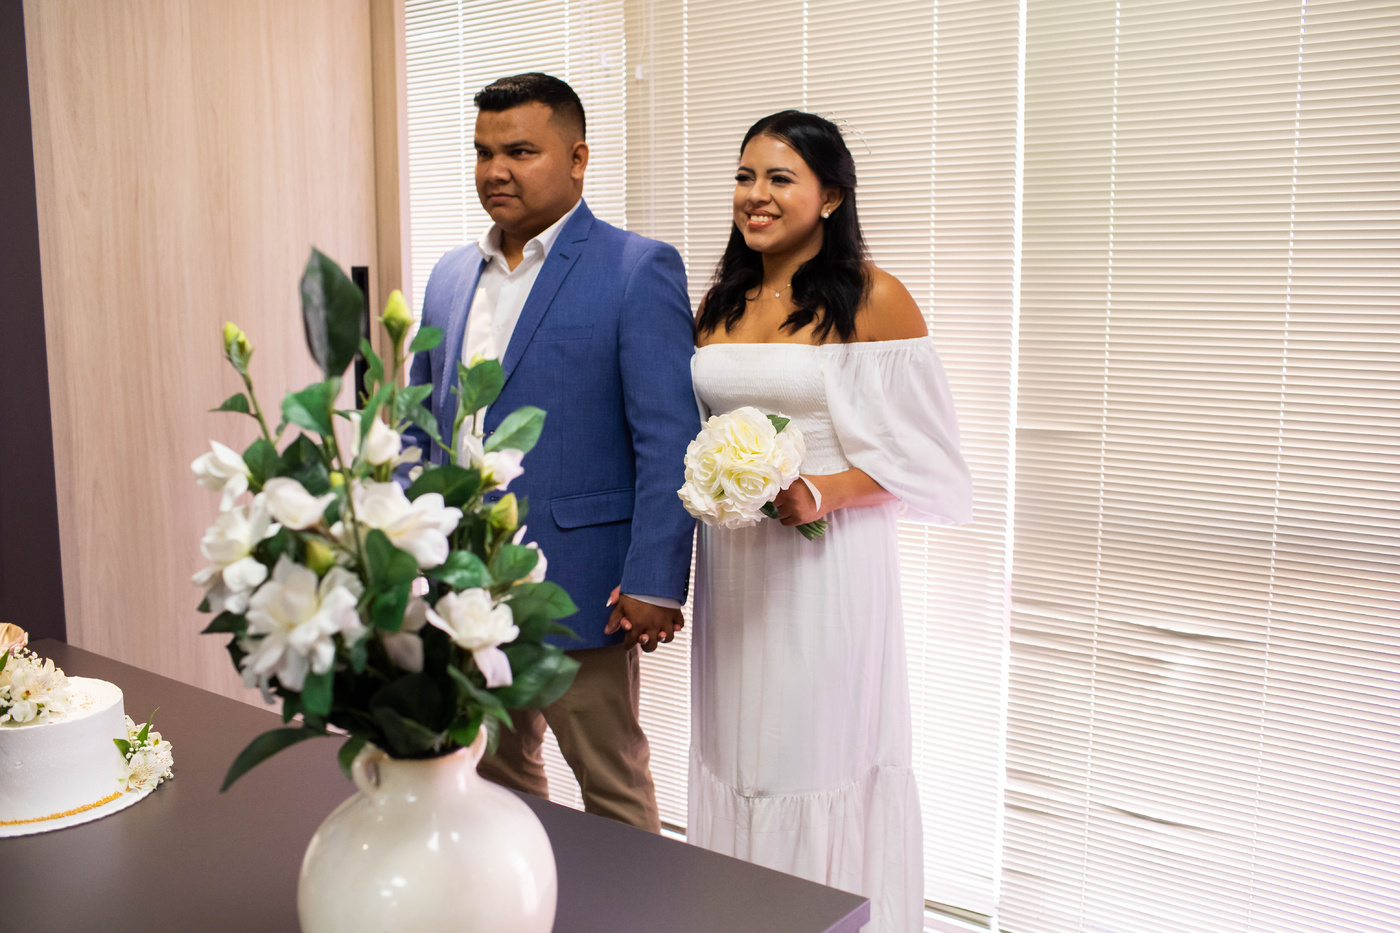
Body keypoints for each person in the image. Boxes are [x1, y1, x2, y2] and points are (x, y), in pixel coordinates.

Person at [687, 110, 974, 932]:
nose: (756, 194)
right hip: (736, 569)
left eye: (780, 178)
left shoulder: (876, 299)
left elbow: (933, 464)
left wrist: (824, 490)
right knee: (737, 755)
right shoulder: (721, 301)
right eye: (745, 176)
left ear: (832, 197)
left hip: (826, 569)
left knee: (807, 756)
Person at [405, 73, 698, 833]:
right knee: (497, 779)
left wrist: (656, 579)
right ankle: (530, 891)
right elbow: (420, 424)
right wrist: (404, 545)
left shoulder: (636, 268)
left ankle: (635, 900)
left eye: (520, 151)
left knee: (611, 784)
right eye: (483, 152)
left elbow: (668, 437)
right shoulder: (449, 275)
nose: (495, 170)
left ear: (577, 157)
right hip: (467, 585)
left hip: (582, 583)